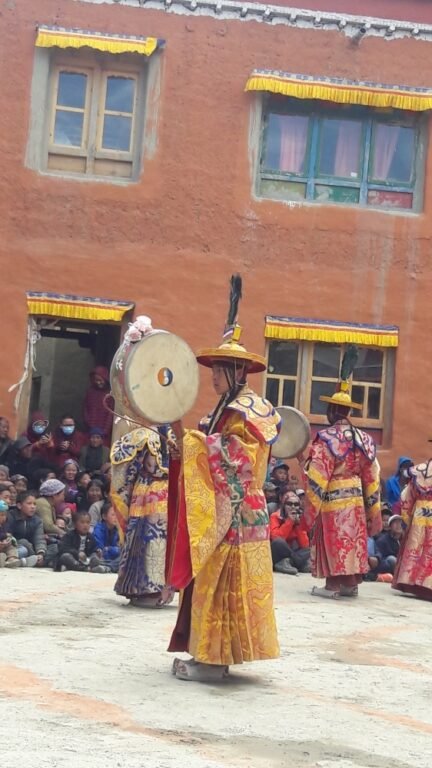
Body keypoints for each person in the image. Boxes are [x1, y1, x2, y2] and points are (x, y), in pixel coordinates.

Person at [167, 275, 280, 682]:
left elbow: (241, 459)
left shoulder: (251, 410)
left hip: (237, 513)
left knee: (221, 583)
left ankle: (214, 662)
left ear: (235, 371)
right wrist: (185, 445)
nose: (212, 377)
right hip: (220, 510)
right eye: (213, 369)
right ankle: (209, 655)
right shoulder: (222, 409)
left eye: (218, 370)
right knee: (210, 581)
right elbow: (207, 446)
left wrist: (198, 443)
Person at [303, 345, 382, 599]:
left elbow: (318, 477)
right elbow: (372, 479)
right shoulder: (365, 440)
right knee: (354, 539)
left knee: (335, 539)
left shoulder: (326, 439)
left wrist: (310, 510)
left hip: (333, 501)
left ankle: (333, 585)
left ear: (333, 411)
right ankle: (351, 583)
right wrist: (374, 512)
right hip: (356, 502)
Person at [111, 427, 173, 606]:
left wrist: (125, 493)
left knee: (141, 539)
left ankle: (136, 588)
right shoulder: (179, 435)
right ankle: (157, 589)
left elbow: (125, 472)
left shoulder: (139, 436)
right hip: (166, 493)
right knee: (158, 542)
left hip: (143, 491)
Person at [393, 461, 432, 600]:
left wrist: (407, 518)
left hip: (419, 516)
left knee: (417, 549)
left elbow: (406, 496)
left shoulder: (419, 470)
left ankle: (412, 583)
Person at [270, 490, 310, 574]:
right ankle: (299, 564)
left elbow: (304, 545)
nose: (293, 507)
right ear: (284, 505)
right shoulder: (275, 516)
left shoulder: (300, 518)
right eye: (289, 504)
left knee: (312, 549)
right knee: (278, 542)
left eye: (296, 504)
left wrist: (299, 525)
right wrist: (289, 522)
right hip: (279, 551)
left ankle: (289, 562)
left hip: (293, 550)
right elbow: (276, 537)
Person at [9, 492, 47, 567]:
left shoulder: (37, 520)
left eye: (34, 504)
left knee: (54, 548)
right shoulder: (10, 516)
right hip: (14, 547)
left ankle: (32, 560)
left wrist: (40, 553)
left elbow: (39, 538)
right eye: (29, 503)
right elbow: (9, 536)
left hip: (32, 548)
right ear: (19, 505)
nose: (33, 507)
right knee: (23, 550)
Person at [83, 367, 113, 442]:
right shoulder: (90, 392)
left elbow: (111, 413)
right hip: (91, 429)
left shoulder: (109, 394)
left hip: (104, 432)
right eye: (96, 380)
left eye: (100, 380)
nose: (98, 382)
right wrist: (88, 423)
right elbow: (85, 409)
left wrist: (105, 431)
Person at [93, 500, 121, 573]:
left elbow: (120, 549)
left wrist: (111, 549)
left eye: (117, 514)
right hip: (101, 557)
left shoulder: (117, 530)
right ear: (104, 516)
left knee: (125, 557)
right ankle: (108, 567)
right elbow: (101, 550)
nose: (116, 517)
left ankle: (107, 567)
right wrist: (114, 550)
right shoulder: (98, 529)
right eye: (113, 514)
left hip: (112, 558)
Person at [0, 498, 21, 568]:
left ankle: (11, 559)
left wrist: (9, 539)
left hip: (4, 545)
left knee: (11, 548)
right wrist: (5, 535)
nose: (3, 517)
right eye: (1, 515)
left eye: (4, 515)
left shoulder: (6, 524)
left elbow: (9, 533)